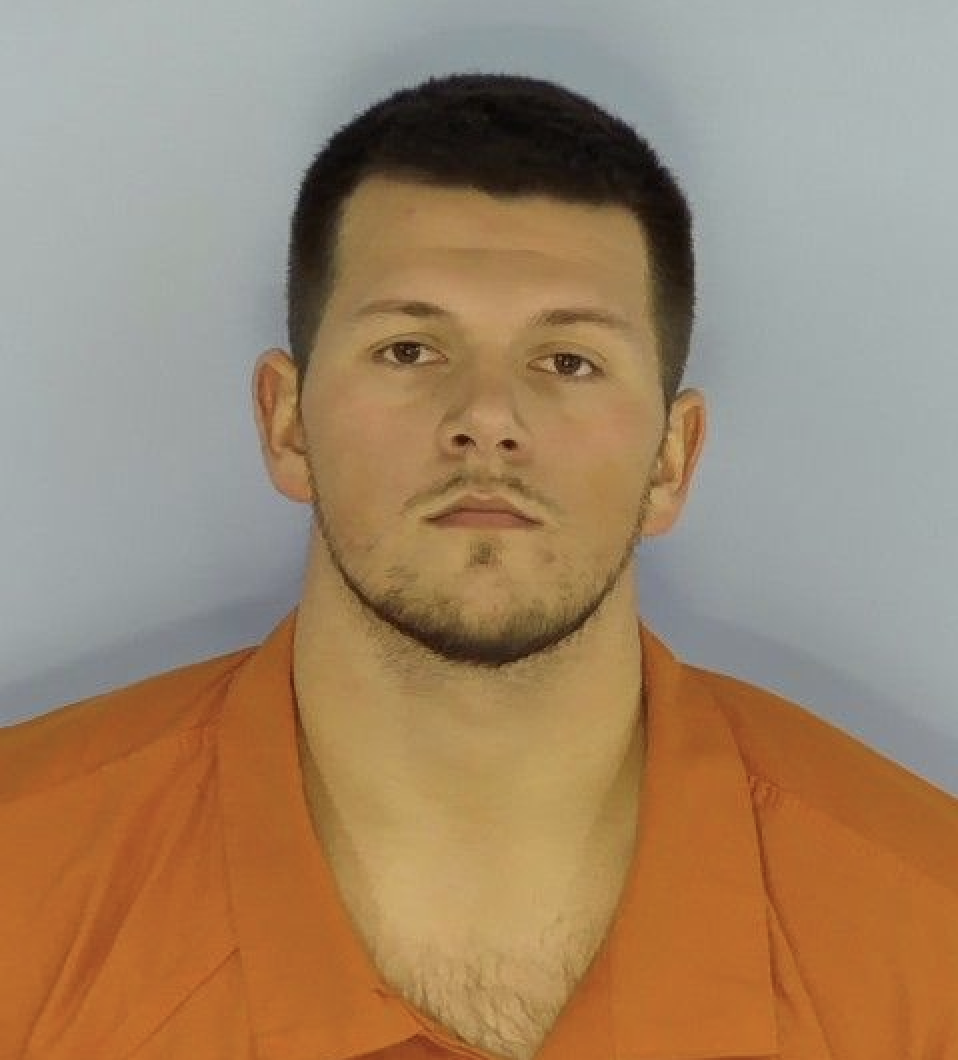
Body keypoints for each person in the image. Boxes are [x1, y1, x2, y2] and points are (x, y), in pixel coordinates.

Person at [2, 72, 956, 1060]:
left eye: (568, 361)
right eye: (410, 350)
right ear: (287, 424)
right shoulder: (19, 888)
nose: (488, 418)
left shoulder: (930, 942)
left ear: (671, 460)